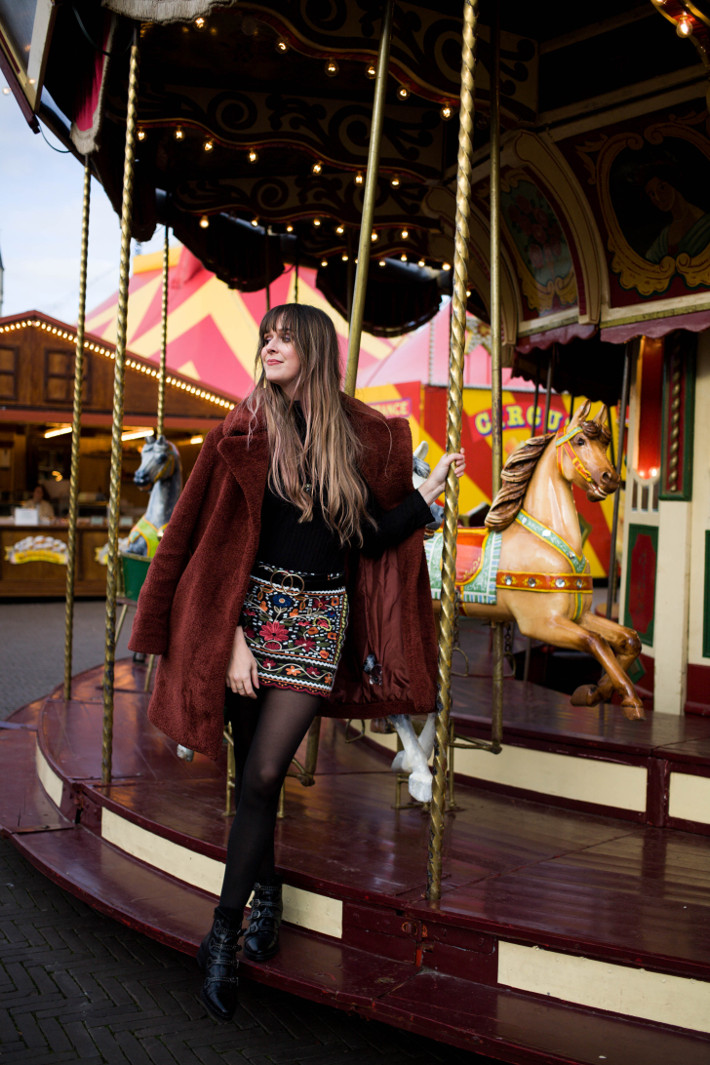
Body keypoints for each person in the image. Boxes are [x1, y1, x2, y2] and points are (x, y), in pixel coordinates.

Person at [128, 304, 465, 1023]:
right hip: (250, 622)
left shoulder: (355, 437)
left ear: (314, 348)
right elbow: (205, 548)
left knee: (266, 772)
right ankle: (266, 895)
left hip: (320, 622)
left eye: (283, 335)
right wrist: (231, 642)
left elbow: (364, 538)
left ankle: (219, 935)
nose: (269, 345)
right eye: (265, 337)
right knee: (253, 778)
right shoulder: (241, 431)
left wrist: (422, 505)